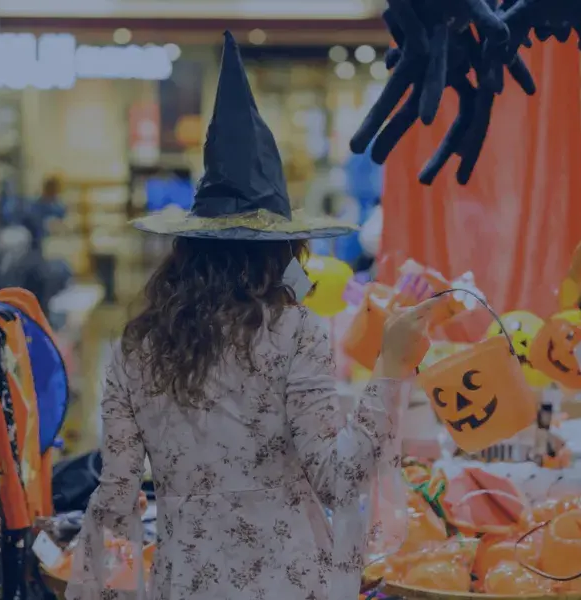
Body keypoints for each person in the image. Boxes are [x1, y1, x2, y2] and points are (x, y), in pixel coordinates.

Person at [66, 32, 439, 600]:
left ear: (190, 247)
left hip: (184, 584)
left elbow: (116, 494)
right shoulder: (295, 332)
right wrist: (391, 367)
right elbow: (339, 479)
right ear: (278, 250)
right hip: (286, 583)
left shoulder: (138, 345)